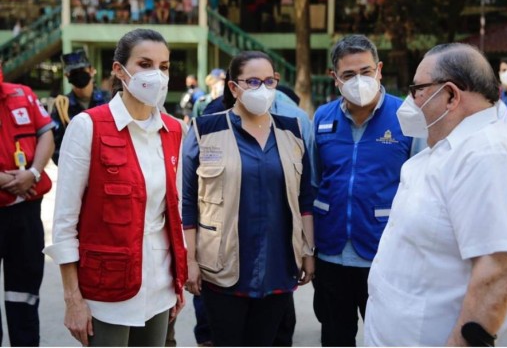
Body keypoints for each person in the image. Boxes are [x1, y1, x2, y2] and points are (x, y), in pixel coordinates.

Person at [365, 43, 507, 346]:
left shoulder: (486, 154)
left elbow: (497, 275)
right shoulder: (447, 152)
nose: (410, 100)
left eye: (417, 89)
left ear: (452, 95)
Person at [43, 29, 188, 347]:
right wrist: (72, 299)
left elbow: (173, 213)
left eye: (163, 66)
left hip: (160, 282)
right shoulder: (87, 126)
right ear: (119, 70)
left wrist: (178, 280)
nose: (156, 75)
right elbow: (65, 224)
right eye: (145, 63)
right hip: (106, 287)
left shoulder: (174, 130)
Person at [182, 50, 315, 347]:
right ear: (233, 87)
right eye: (253, 82)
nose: (262, 89)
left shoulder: (291, 131)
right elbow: (188, 202)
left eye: (269, 81)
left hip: (278, 267)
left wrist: (308, 250)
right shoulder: (205, 130)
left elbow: (304, 197)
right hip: (222, 268)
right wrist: (189, 260)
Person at [312, 34, 416, 346]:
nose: (359, 81)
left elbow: (421, 187)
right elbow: (315, 181)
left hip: (383, 253)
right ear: (335, 79)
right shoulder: (322, 118)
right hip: (330, 254)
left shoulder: (407, 118)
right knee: (334, 335)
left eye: (366, 72)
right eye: (349, 75)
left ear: (379, 70)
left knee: (383, 338)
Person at [0, 63, 55, 346]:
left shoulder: (23, 94)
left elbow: (46, 133)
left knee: (24, 294)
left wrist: (32, 173)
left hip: (26, 212)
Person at [50, 49, 110, 165]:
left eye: (81, 70)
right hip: (75, 170)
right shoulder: (62, 106)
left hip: (106, 166)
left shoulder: (109, 100)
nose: (78, 75)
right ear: (67, 76)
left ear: (91, 70)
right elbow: (55, 146)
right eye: (73, 72)